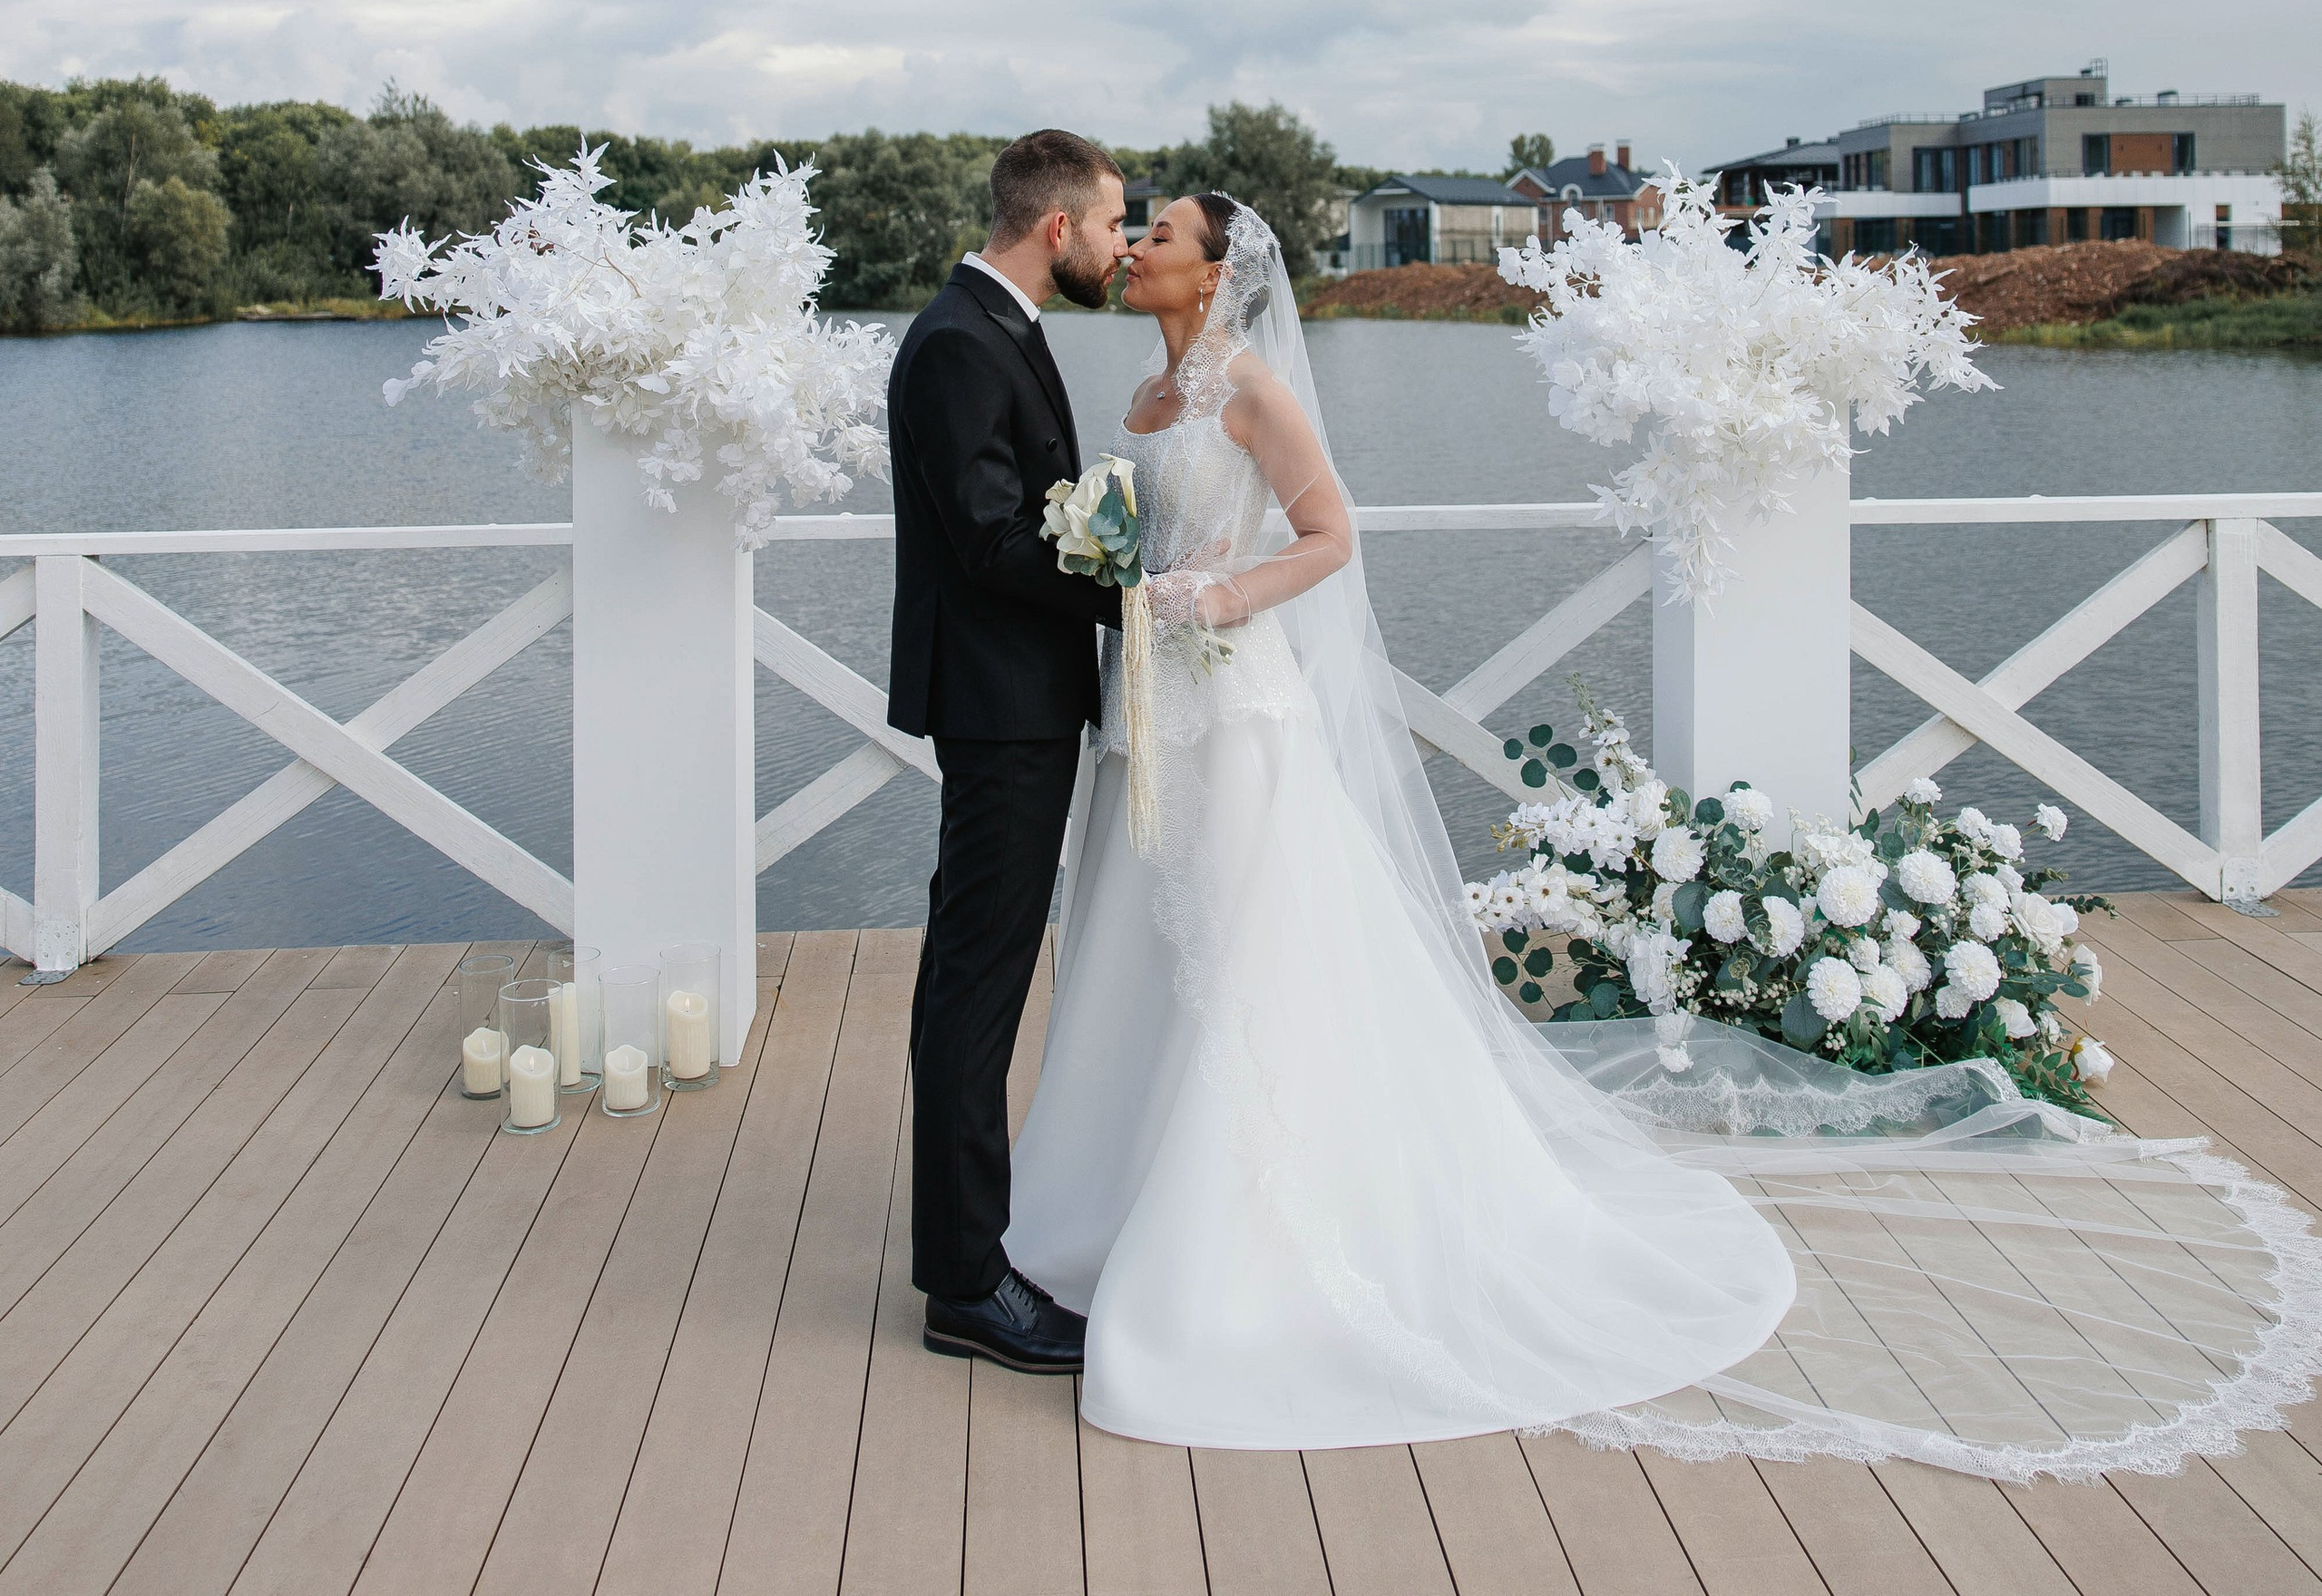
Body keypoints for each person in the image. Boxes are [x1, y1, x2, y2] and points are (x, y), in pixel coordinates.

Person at [1004, 194, 2322, 1471]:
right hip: (1147, 722)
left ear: (1219, 272)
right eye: (1141, 233)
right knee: (1144, 956)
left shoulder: (1250, 390)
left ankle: (1241, 1240)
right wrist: (1114, 571)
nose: (1136, 251)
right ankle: (1114, 1203)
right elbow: (1138, 537)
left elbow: (1331, 536)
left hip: (1240, 718)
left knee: (1248, 965)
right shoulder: (1143, 401)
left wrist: (1217, 594)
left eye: (1161, 235)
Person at [886, 127, 1129, 1374]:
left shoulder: (996, 330)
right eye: (1109, 226)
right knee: (976, 984)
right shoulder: (958, 345)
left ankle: (970, 1244)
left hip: (1017, 702)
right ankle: (968, 1284)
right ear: (1056, 229)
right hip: (999, 709)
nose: (1117, 247)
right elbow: (990, 542)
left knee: (977, 976)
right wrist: (1134, 590)